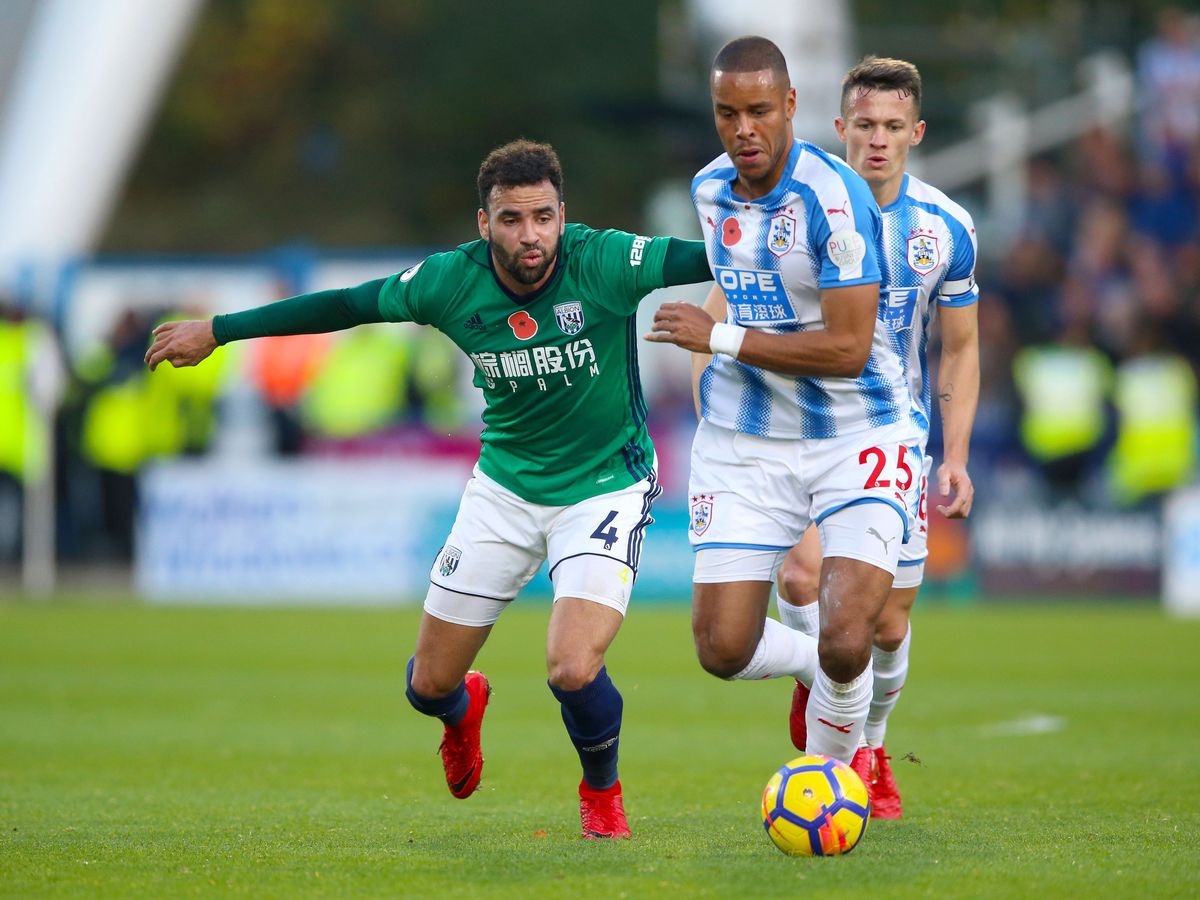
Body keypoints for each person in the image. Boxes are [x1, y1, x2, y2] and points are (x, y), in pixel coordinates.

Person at [145, 139, 713, 839]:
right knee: (427, 685)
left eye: (543, 217)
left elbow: (713, 257)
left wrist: (804, 242)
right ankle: (462, 711)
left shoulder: (606, 260)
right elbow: (347, 304)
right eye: (511, 219)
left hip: (605, 485)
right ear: (484, 223)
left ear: (563, 216)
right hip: (504, 491)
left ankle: (602, 795)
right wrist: (220, 330)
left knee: (571, 666)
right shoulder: (449, 281)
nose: (529, 235)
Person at [646, 38, 922, 771]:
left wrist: (720, 339)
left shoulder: (837, 199)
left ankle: (834, 780)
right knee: (721, 647)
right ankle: (816, 672)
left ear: (791, 105)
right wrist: (712, 364)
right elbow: (736, 281)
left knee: (848, 633)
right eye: (727, 113)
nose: (744, 129)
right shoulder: (709, 190)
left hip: (857, 431)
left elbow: (849, 349)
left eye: (760, 110)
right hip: (749, 439)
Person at [765, 57, 980, 818]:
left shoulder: (945, 228)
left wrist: (955, 455)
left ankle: (874, 743)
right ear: (840, 128)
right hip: (797, 431)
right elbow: (731, 306)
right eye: (864, 125)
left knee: (887, 626)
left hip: (891, 440)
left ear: (916, 132)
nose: (877, 140)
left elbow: (959, 346)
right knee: (801, 580)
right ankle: (825, 701)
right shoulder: (790, 210)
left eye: (893, 126)